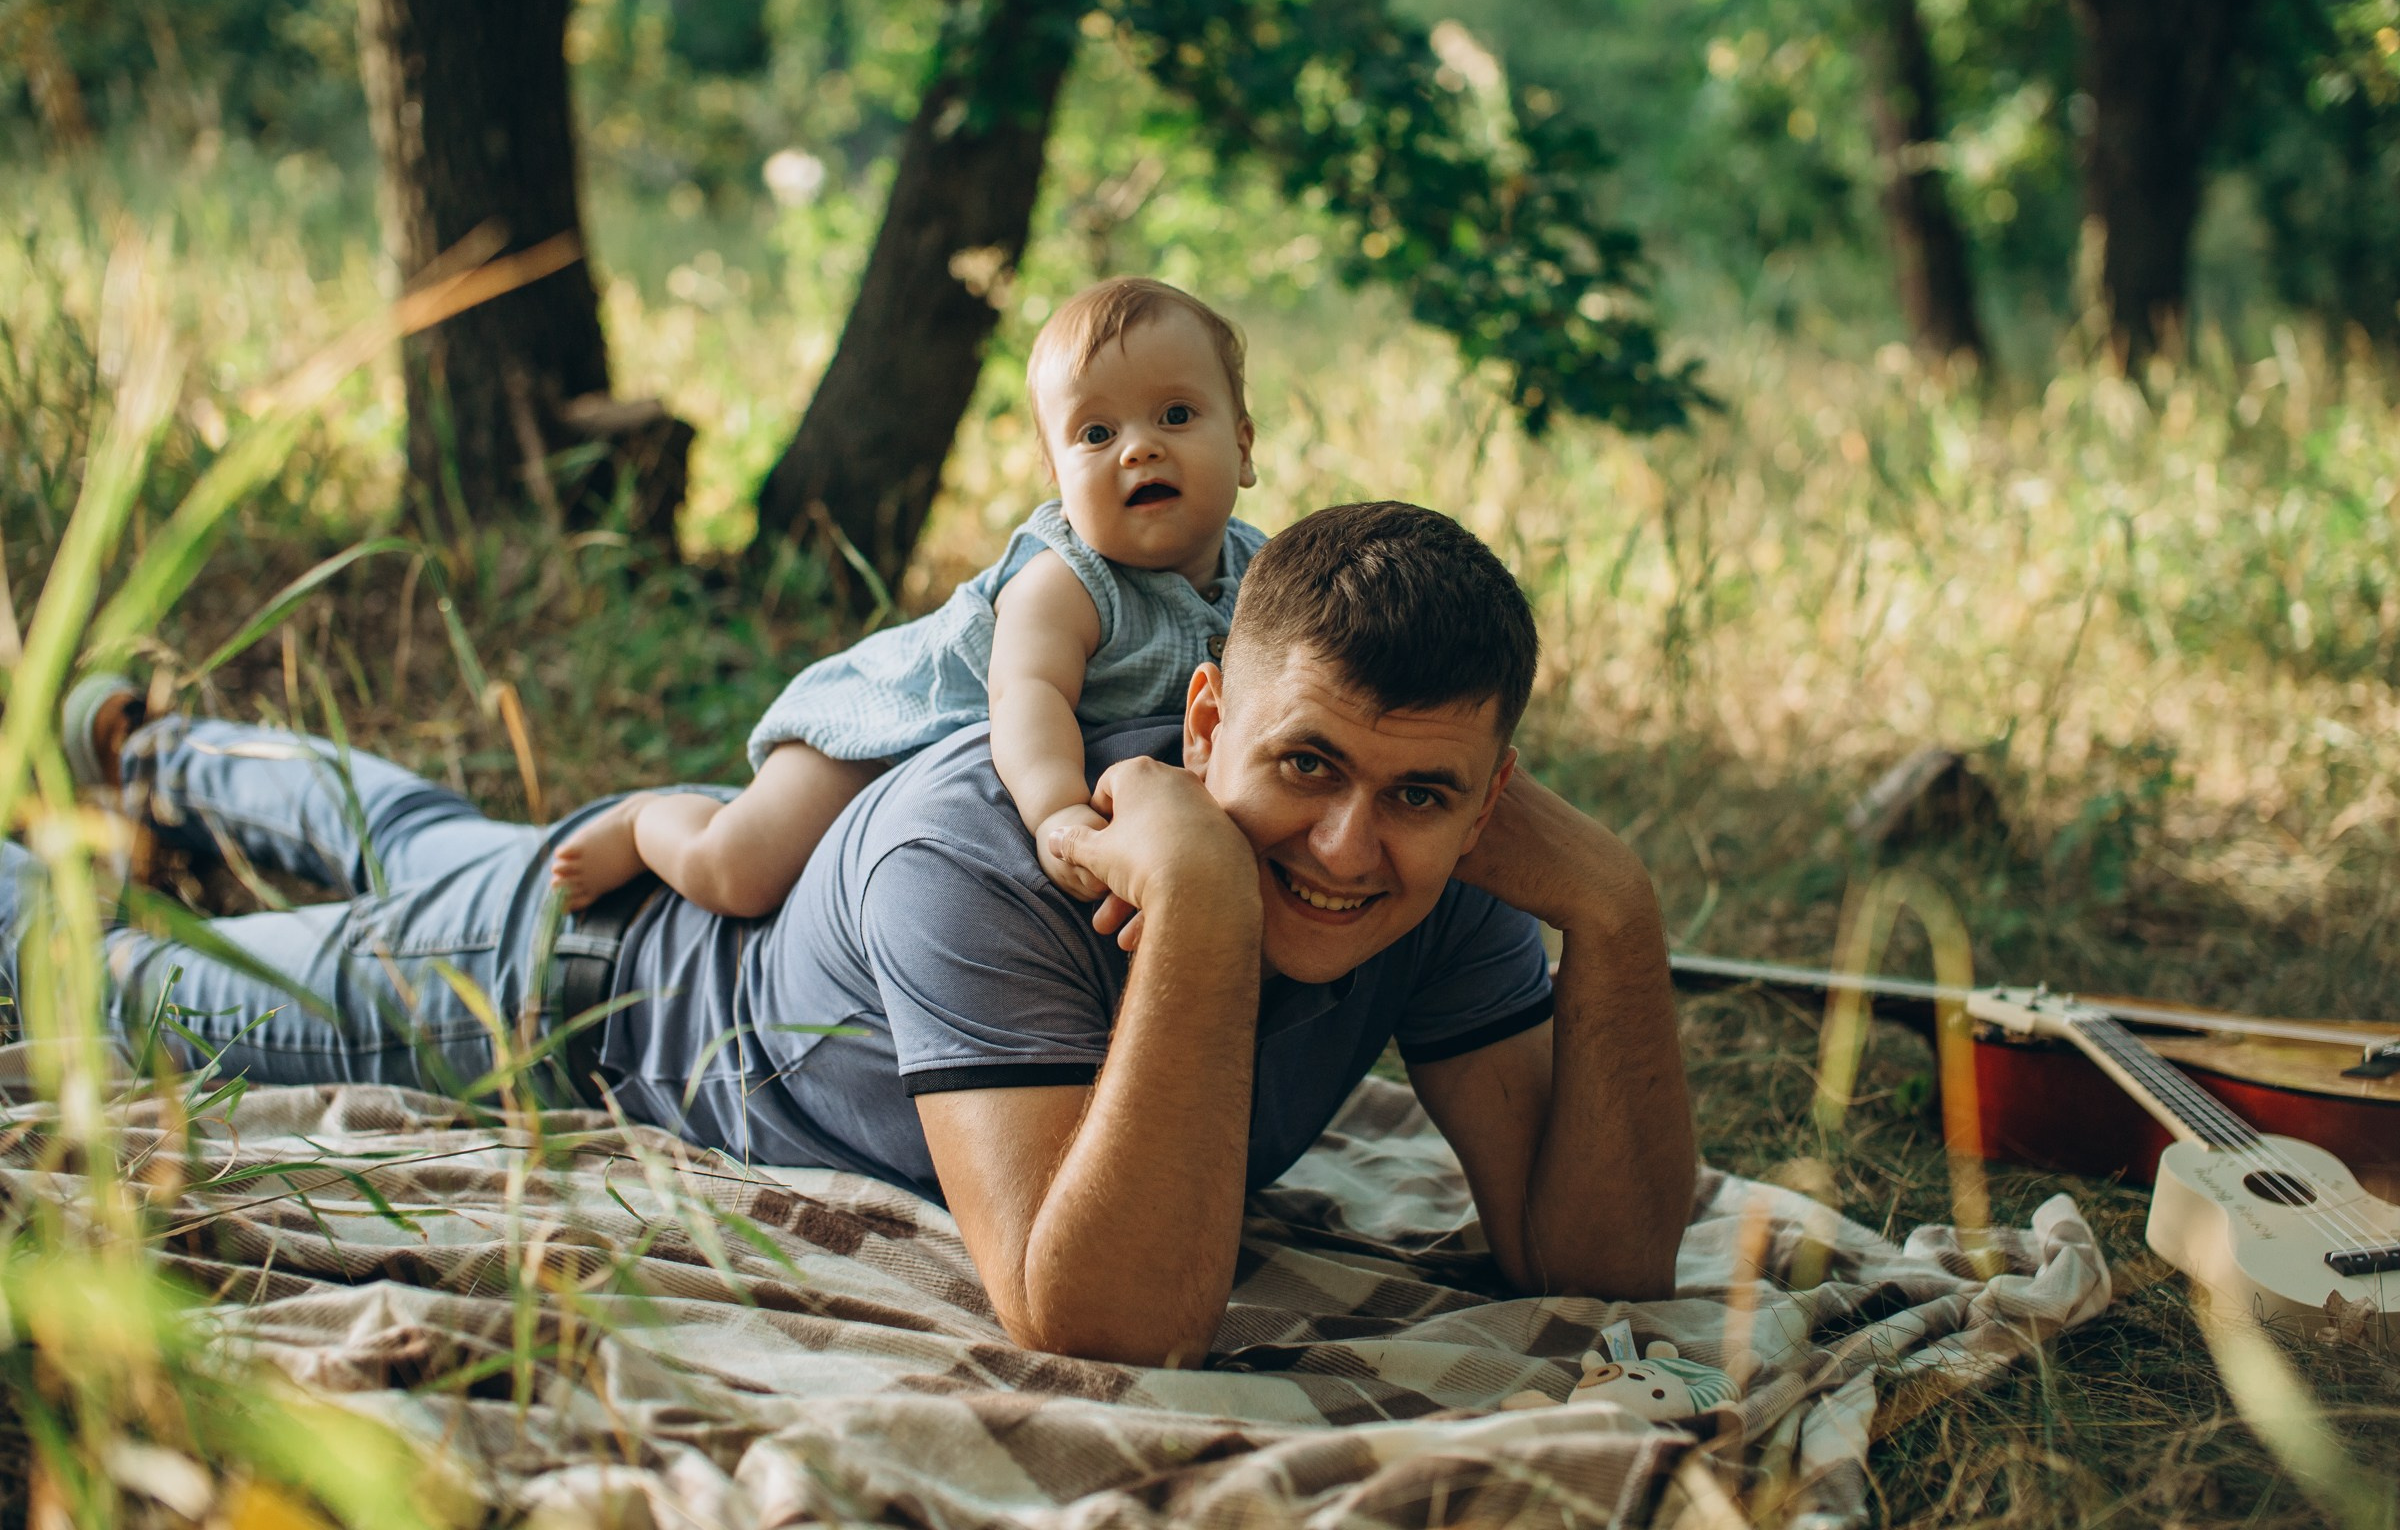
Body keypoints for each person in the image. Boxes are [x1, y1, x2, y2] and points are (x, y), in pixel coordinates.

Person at [21, 501, 1694, 1368]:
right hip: (565, 998)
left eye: (1419, 795)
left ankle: (162, 753)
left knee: (435, 838)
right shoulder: (979, 850)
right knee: (114, 984)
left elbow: (1601, 1270)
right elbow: (1103, 1320)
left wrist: (1616, 916)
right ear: (1200, 725)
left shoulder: (1443, 879)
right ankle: (125, 786)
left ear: (1492, 800)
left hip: (664, 899)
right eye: (1304, 767)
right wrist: (1191, 900)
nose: (1347, 848)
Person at [550, 276, 1264, 916]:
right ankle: (652, 822)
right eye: (1097, 433)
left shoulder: (1263, 572)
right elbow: (1029, 697)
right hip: (882, 734)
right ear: (1055, 478)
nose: (1137, 449)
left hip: (955, 778)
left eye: (1175, 415)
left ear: (1243, 445)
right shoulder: (1065, 581)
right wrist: (1057, 813)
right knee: (740, 873)